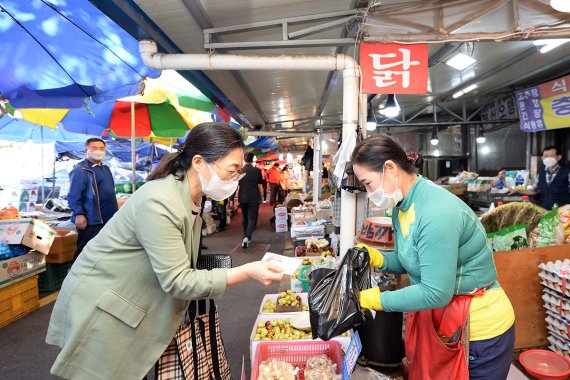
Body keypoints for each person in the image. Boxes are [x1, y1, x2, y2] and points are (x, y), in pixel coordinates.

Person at [46, 123, 284, 380]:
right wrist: (248, 270)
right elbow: (178, 280)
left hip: (135, 297)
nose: (235, 179)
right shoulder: (159, 201)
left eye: (239, 172)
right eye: (232, 171)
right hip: (106, 303)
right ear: (199, 162)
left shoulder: (193, 194)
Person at [351, 134, 515, 380]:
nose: (368, 192)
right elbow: (413, 260)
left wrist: (379, 301)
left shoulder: (435, 212)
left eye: (368, 183)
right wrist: (380, 258)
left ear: (390, 168)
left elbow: (435, 292)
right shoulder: (402, 207)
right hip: (447, 323)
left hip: (479, 333)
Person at [67, 138, 118, 260]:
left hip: (108, 218)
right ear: (86, 151)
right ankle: (76, 275)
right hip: (92, 219)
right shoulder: (81, 170)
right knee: (85, 250)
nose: (98, 151)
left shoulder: (105, 169)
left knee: (104, 250)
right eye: (94, 148)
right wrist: (79, 214)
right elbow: (74, 195)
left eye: (101, 148)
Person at [509, 146, 570, 210]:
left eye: (551, 156)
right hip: (544, 212)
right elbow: (533, 191)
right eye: (546, 156)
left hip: (563, 213)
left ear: (559, 157)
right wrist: (517, 190)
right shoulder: (541, 175)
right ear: (542, 158)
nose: (548, 158)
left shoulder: (567, 173)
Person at [237, 152, 263, 248]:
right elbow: (260, 181)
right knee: (252, 218)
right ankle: (247, 237)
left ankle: (246, 237)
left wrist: (231, 199)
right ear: (253, 159)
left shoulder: (240, 171)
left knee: (244, 217)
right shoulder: (257, 170)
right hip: (254, 197)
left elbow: (236, 184)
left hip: (242, 197)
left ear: (244, 159)